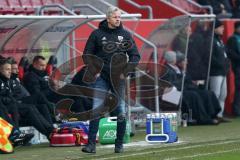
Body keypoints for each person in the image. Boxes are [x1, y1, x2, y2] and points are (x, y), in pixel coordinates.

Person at [81, 6, 140, 154]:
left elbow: (135, 56)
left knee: (119, 111)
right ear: (108, 18)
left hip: (118, 78)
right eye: (115, 17)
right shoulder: (96, 34)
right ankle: (91, 145)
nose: (118, 19)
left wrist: (125, 72)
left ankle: (119, 144)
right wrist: (94, 70)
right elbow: (87, 54)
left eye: (119, 17)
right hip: (101, 77)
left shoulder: (125, 35)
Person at [0, 58, 54, 140]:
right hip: (9, 105)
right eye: (8, 69)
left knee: (37, 106)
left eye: (11, 69)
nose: (11, 71)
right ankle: (16, 134)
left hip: (12, 104)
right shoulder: (29, 76)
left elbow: (9, 95)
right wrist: (12, 100)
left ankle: (51, 131)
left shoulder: (8, 80)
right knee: (30, 105)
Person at [162, 51, 221, 125]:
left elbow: (187, 81)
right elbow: (172, 84)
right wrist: (183, 78)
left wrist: (195, 84)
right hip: (174, 93)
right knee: (194, 95)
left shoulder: (177, 68)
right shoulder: (166, 69)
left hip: (185, 88)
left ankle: (213, 115)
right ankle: (202, 119)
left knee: (207, 93)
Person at [9, 58, 54, 125]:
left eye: (17, 68)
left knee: (43, 106)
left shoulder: (15, 79)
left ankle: (51, 128)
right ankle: (55, 112)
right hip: (19, 101)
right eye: (15, 69)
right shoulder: (30, 76)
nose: (17, 71)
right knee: (39, 97)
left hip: (27, 98)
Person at [209, 19, 230, 121]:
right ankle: (213, 115)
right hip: (215, 72)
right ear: (215, 28)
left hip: (223, 72)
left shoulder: (220, 40)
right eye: (221, 27)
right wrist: (220, 64)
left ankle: (220, 115)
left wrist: (226, 64)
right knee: (215, 94)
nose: (223, 29)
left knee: (223, 95)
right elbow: (210, 57)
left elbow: (225, 55)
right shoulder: (210, 40)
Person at [226, 21, 240, 116]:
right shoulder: (232, 39)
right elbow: (230, 53)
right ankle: (236, 110)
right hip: (238, 67)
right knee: (239, 88)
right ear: (236, 28)